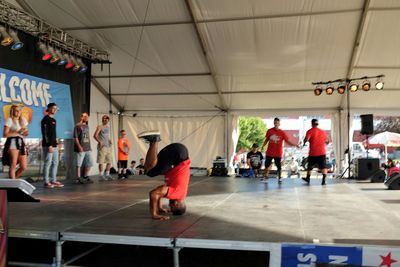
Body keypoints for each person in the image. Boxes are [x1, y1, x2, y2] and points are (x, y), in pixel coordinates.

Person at [138, 130, 190, 220]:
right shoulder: (177, 194)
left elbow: (160, 190)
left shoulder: (180, 194)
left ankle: (152, 141)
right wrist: (154, 214)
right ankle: (154, 140)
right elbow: (153, 194)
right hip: (177, 156)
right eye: (171, 207)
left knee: (150, 168)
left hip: (179, 152)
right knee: (150, 172)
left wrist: (160, 207)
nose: (169, 205)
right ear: (177, 204)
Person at [261, 117, 298, 183]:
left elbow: (287, 141)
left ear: (279, 124)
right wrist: (262, 146)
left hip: (278, 153)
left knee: (279, 166)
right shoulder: (269, 131)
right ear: (273, 123)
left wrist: (295, 144)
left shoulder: (282, 132)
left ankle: (279, 178)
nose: (276, 124)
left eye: (277, 123)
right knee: (267, 165)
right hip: (270, 152)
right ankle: (265, 177)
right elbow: (266, 140)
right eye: (275, 123)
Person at [2, 105, 28, 179]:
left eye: (19, 110)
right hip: (12, 142)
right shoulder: (9, 120)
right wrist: (18, 132)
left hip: (21, 143)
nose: (18, 112)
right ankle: (12, 184)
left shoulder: (22, 120)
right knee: (13, 165)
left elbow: (26, 133)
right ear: (12, 111)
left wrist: (24, 132)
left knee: (23, 167)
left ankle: (12, 182)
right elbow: (5, 134)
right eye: (16, 110)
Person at [41, 103, 64, 188]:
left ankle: (53, 180)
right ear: (49, 109)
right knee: (48, 163)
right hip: (48, 146)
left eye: (56, 108)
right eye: (53, 108)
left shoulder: (54, 120)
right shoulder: (45, 119)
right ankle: (46, 182)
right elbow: (45, 133)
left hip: (54, 145)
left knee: (55, 163)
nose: (55, 110)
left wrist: (56, 143)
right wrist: (49, 145)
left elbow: (53, 134)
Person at [302, 119, 328, 185]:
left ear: (312, 124)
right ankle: (324, 180)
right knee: (323, 167)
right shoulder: (323, 132)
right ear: (317, 124)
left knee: (309, 166)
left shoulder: (310, 131)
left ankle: (308, 178)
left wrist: (304, 141)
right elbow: (327, 141)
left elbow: (306, 139)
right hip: (322, 152)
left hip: (313, 153)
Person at [73, 112, 93, 184]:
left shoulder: (87, 126)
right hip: (80, 148)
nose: (86, 118)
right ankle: (78, 178)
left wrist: (90, 147)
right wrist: (79, 146)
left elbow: (87, 137)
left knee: (89, 163)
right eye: (85, 116)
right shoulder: (77, 126)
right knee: (79, 164)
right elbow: (75, 138)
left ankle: (85, 176)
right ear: (81, 117)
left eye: (87, 117)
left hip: (88, 148)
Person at [93, 115, 113, 181]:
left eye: (106, 119)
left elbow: (106, 136)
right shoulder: (100, 127)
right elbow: (95, 135)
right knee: (101, 161)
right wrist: (99, 142)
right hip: (102, 147)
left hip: (108, 146)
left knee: (109, 161)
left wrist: (109, 140)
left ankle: (107, 174)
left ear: (108, 120)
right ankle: (101, 175)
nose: (104, 120)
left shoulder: (107, 127)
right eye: (103, 119)